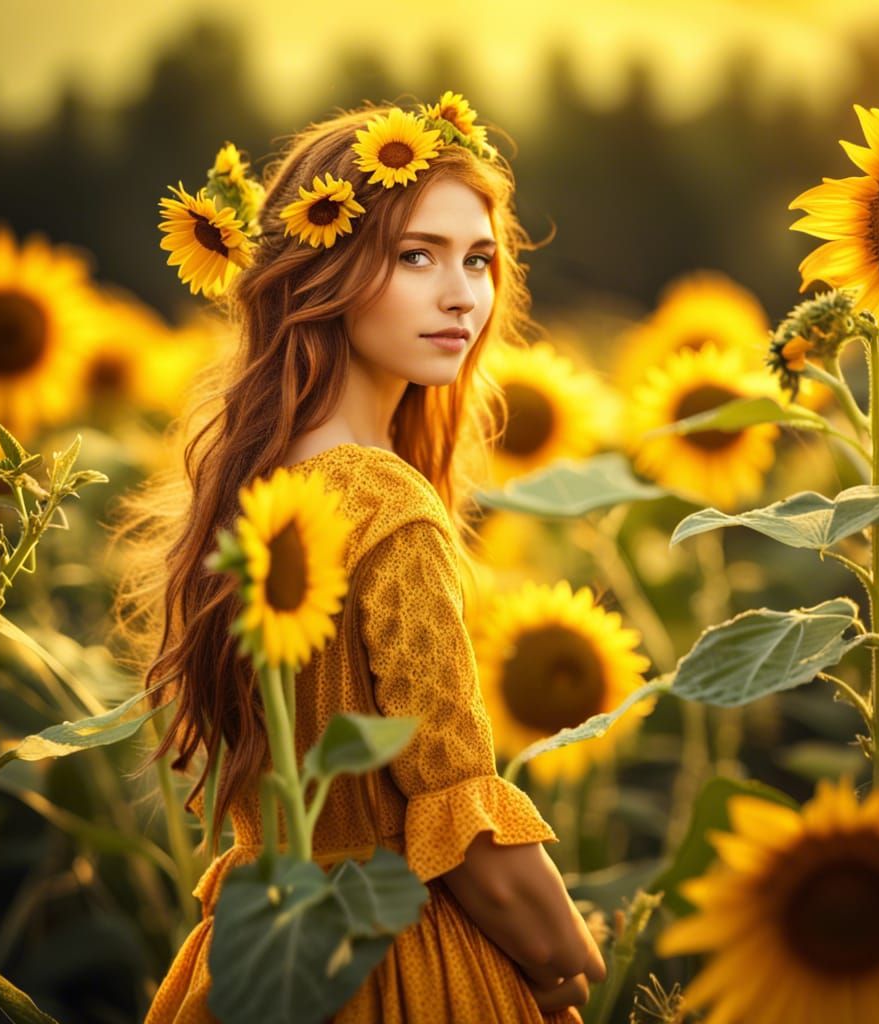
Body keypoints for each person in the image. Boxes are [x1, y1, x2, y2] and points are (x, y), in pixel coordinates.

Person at [121, 95, 606, 1023]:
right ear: (327, 266)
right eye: (416, 255)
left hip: (262, 942)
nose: (462, 294)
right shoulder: (385, 504)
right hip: (401, 962)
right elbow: (460, 811)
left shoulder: (257, 488)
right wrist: (565, 967)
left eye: (480, 260)